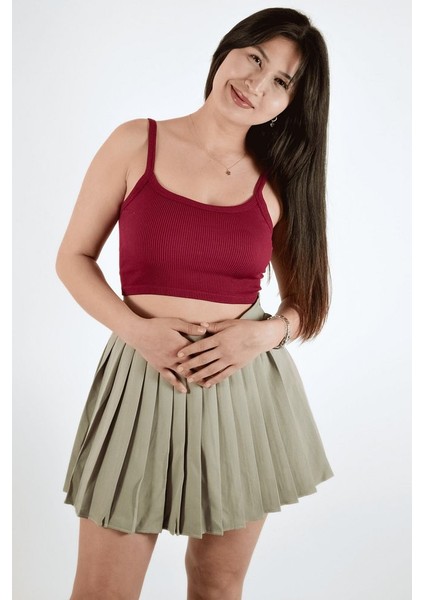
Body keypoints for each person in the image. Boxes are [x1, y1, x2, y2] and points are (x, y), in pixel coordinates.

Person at [56, 7, 334, 599]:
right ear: (227, 51)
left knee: (217, 587)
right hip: (140, 378)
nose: (256, 83)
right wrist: (137, 331)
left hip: (242, 393)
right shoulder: (136, 141)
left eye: (280, 81)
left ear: (289, 104)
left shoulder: (282, 181)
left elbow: (307, 303)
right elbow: (73, 259)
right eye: (254, 58)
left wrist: (260, 336)